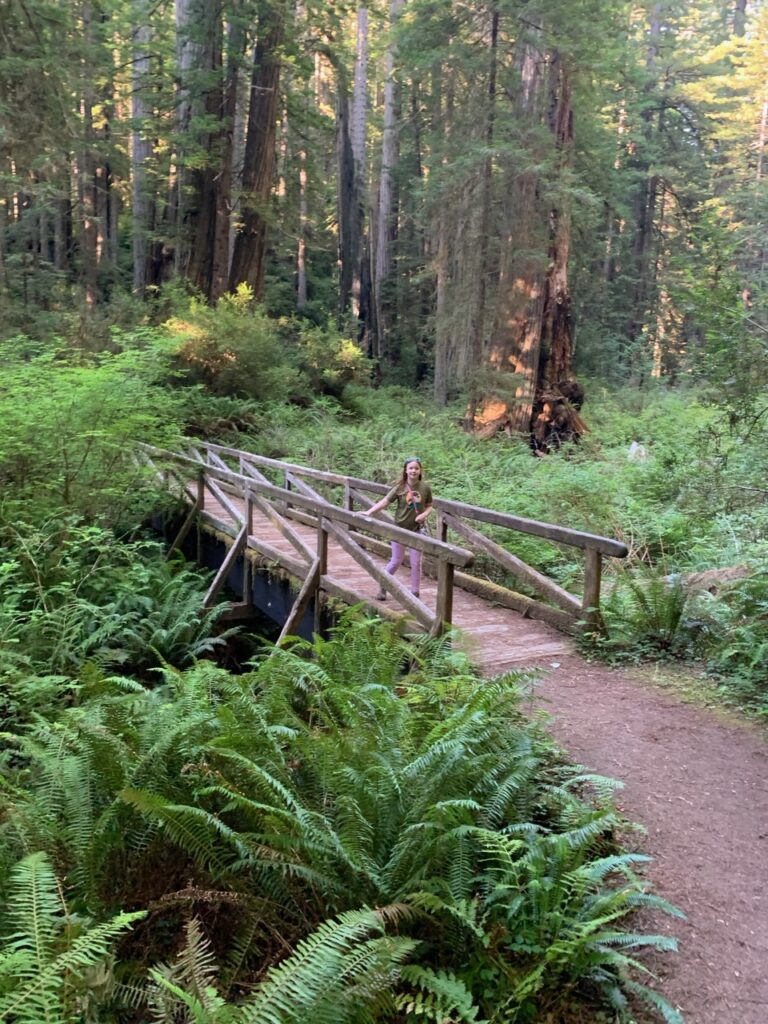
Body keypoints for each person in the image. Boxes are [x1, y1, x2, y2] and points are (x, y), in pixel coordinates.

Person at [361, 457, 433, 600]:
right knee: (396, 561)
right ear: (406, 471)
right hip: (399, 529)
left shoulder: (425, 488)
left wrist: (423, 514)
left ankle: (415, 594)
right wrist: (369, 512)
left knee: (416, 563)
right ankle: (383, 584)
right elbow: (385, 502)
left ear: (420, 471)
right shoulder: (400, 488)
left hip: (416, 530)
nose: (413, 471)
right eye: (411, 468)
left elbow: (429, 506)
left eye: (416, 468)